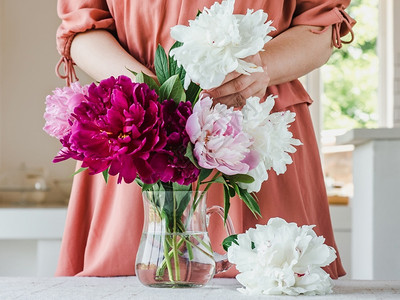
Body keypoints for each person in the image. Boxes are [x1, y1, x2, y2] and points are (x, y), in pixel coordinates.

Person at [55, 0, 355, 278]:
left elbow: (320, 25)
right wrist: (148, 95)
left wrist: (262, 66)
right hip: (136, 125)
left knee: (275, 279)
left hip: (259, 126)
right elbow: (81, 29)